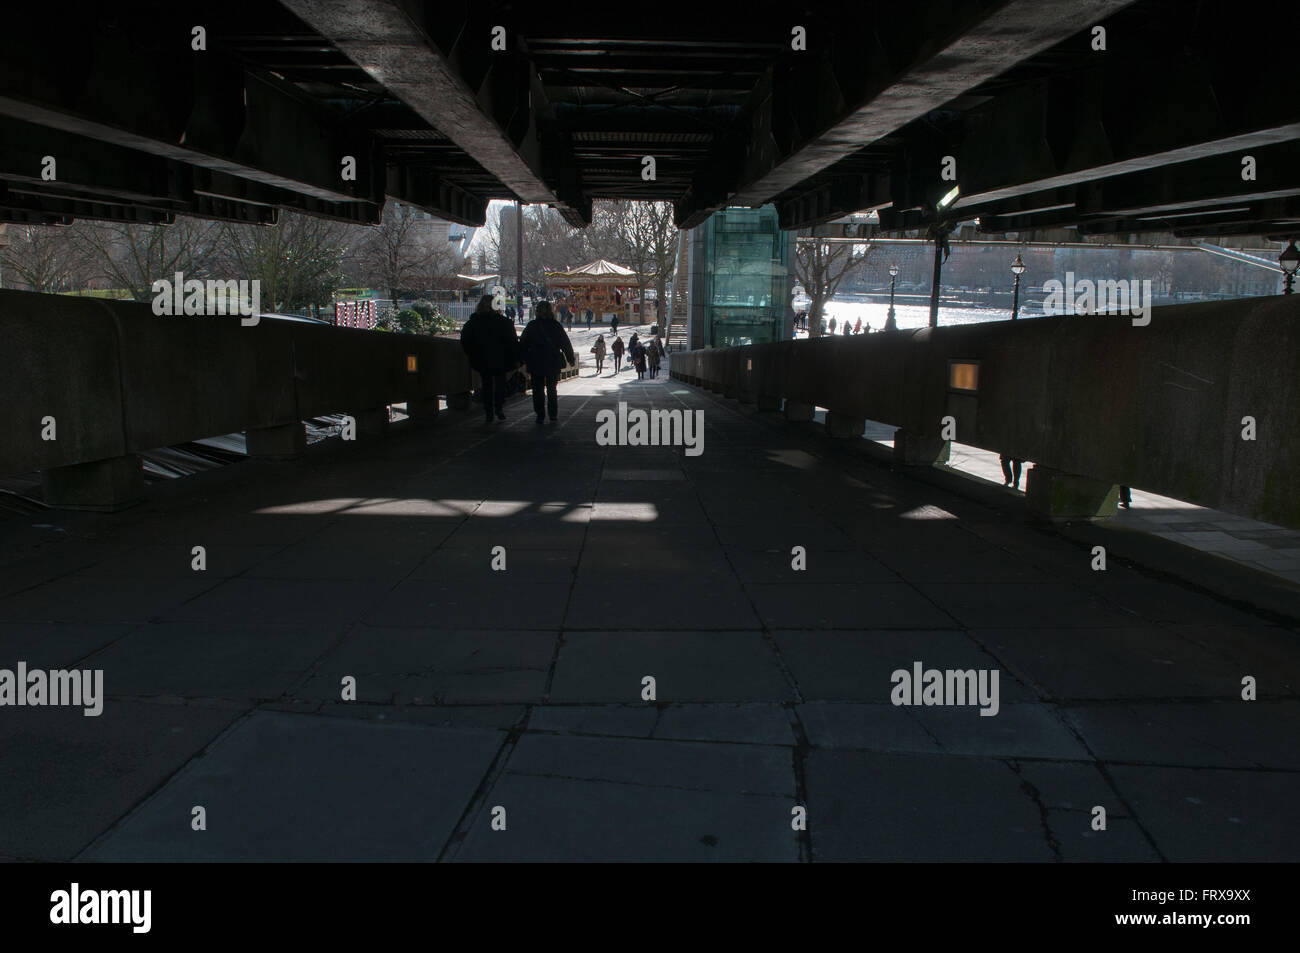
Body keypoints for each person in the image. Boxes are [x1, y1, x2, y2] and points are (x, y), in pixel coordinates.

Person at [460, 294, 519, 423]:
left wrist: (472, 353)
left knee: (486, 384)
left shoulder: (474, 322)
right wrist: (514, 357)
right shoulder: (503, 322)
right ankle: (498, 407)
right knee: (500, 384)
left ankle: (488, 411)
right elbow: (512, 341)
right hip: (500, 358)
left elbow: (465, 340)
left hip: (482, 358)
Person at [518, 300, 575, 424]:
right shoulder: (555, 325)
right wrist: (570, 358)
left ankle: (540, 414)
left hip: (535, 361)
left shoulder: (532, 326)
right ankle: (553, 414)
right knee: (551, 389)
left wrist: (521, 359)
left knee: (537, 389)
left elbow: (523, 344)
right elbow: (565, 343)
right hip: (552, 360)